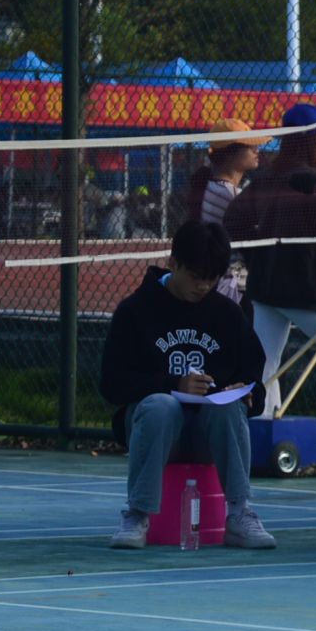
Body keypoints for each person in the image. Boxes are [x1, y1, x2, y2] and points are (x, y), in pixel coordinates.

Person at [101, 220, 276, 552]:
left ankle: (240, 513)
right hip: (153, 431)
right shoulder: (135, 311)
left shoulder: (228, 314)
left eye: (212, 279)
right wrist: (173, 385)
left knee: (229, 406)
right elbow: (112, 383)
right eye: (196, 277)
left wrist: (248, 392)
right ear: (173, 263)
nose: (204, 286)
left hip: (210, 434)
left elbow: (253, 373)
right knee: (160, 405)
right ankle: (137, 515)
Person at [224, 104, 316, 421]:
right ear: (314, 138)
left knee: (265, 364)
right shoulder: (315, 181)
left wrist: (258, 256)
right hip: (304, 289)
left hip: (265, 286)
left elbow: (234, 219)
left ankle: (261, 428)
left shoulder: (268, 177)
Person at [176, 118, 260, 303]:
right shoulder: (229, 194)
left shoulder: (212, 185)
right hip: (229, 278)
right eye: (250, 146)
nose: (257, 150)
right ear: (231, 154)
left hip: (220, 273)